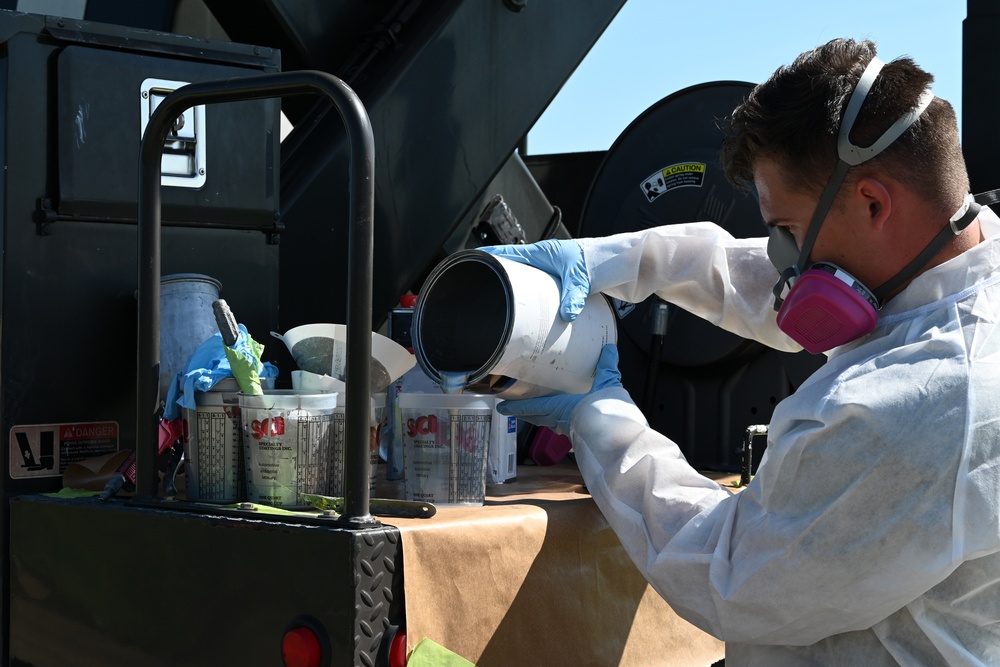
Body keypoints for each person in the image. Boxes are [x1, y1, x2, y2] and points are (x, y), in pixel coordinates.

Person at [484, 38, 1000, 665]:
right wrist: (620, 259)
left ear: (873, 202)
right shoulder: (964, 267)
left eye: (784, 231)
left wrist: (601, 419)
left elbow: (730, 574)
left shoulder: (924, 403)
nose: (781, 260)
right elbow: (774, 287)